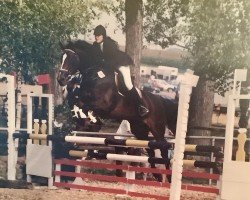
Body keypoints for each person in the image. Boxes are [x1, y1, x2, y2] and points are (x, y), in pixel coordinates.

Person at [92, 25, 149, 117]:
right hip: (110, 65)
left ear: (103, 36)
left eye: (98, 35)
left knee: (128, 84)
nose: (96, 37)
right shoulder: (95, 45)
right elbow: (96, 60)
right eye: (95, 35)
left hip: (121, 64)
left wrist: (106, 69)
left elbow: (112, 60)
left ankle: (141, 106)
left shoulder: (110, 44)